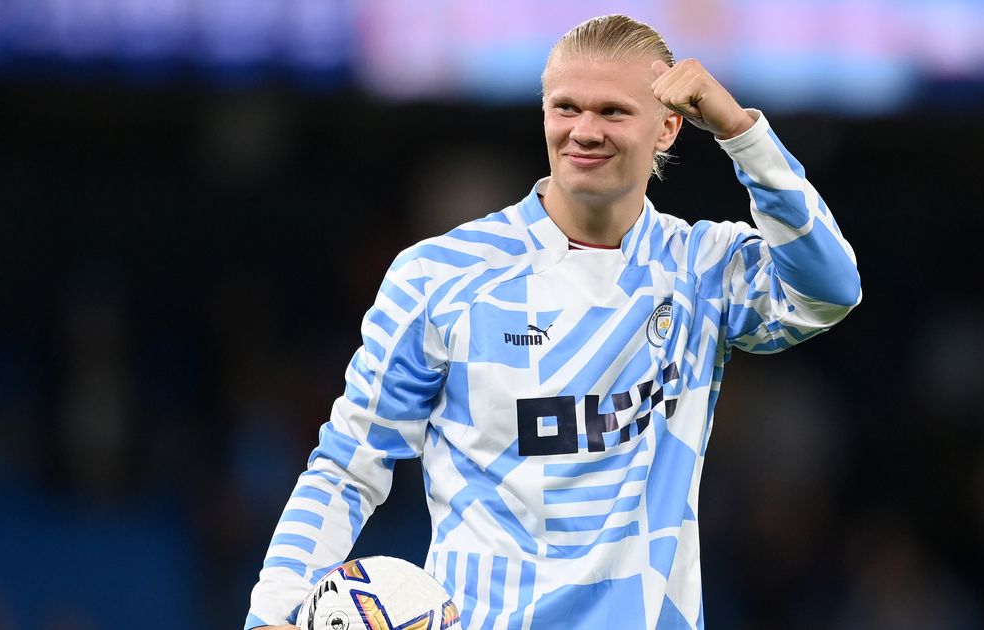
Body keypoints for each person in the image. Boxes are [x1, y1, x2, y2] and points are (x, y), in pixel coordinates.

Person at [246, 13, 860, 630]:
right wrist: (272, 611)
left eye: (613, 112)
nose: (584, 131)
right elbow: (349, 465)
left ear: (668, 127)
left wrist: (741, 133)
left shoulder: (701, 269)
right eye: (566, 108)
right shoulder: (440, 276)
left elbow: (828, 291)